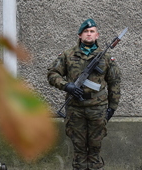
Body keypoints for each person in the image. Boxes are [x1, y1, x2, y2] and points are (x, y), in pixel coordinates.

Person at [47, 18, 121, 170]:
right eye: (85, 32)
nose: (89, 34)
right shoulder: (67, 55)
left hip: (98, 108)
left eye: (92, 31)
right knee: (79, 150)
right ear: (79, 35)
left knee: (95, 149)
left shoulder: (106, 57)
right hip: (75, 109)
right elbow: (52, 74)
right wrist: (67, 86)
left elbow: (114, 83)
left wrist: (112, 108)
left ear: (97, 35)